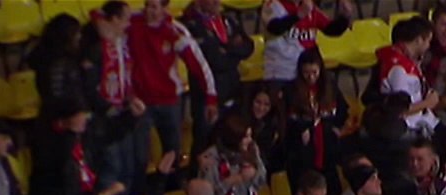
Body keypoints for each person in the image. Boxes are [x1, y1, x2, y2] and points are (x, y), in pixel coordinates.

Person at [128, 0, 219, 161]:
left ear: (165, 8)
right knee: (139, 156)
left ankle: (172, 185)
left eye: (155, 7)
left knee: (172, 153)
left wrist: (210, 97)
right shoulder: (132, 22)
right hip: (141, 102)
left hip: (169, 101)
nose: (150, 11)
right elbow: (101, 15)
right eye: (148, 5)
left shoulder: (175, 31)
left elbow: (199, 65)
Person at [80, 2, 145, 195]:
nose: (128, 23)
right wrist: (106, 107)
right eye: (125, 19)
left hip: (123, 114)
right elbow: (88, 87)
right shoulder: (96, 45)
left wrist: (131, 98)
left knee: (128, 168)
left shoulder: (122, 43)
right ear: (114, 19)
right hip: (103, 121)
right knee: (111, 169)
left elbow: (125, 77)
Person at [182, 0, 255, 146]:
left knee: (231, 139)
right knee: (205, 143)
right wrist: (234, 49)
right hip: (207, 95)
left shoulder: (227, 20)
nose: (217, 1)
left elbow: (249, 46)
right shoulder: (191, 25)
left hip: (232, 88)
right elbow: (215, 60)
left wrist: (226, 49)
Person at [282, 49, 348, 195]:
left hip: (327, 144)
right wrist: (300, 130)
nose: (311, 77)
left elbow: (342, 110)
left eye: (314, 72)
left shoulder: (330, 86)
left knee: (334, 191)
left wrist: (337, 127)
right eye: (306, 73)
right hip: (303, 150)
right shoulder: (291, 90)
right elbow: (287, 119)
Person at [366, 17, 440, 139]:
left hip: (420, 121)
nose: (428, 46)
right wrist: (428, 103)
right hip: (407, 128)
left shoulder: (410, 64)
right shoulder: (398, 69)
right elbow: (399, 110)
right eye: (428, 41)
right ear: (418, 40)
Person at [262, 0, 353, 87]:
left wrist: (345, 16)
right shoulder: (273, 4)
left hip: (307, 69)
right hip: (281, 68)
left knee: (329, 90)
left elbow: (330, 29)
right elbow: (274, 28)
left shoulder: (307, 5)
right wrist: (298, 15)